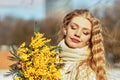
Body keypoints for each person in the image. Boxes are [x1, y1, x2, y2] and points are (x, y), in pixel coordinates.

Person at [57, 9, 107, 80]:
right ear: (65, 29)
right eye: (73, 28)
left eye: (85, 33)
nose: (77, 34)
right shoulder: (47, 60)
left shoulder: (87, 73)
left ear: (90, 39)